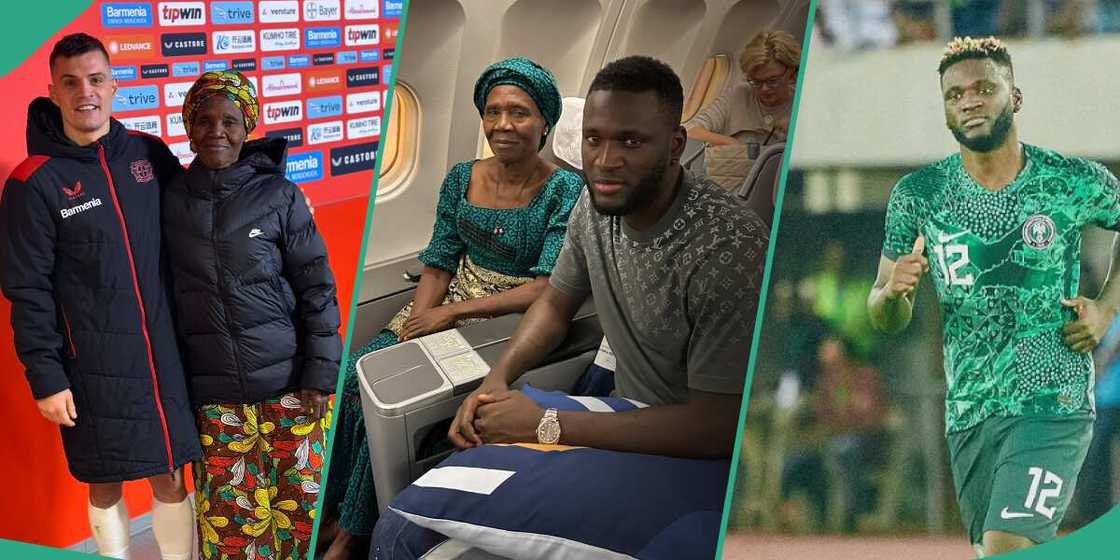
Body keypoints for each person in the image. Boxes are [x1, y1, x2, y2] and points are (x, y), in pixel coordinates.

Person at [867, 37, 1120, 556]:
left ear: (1016, 97)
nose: (969, 100)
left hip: (1053, 403)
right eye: (955, 94)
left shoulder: (1070, 181)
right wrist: (894, 295)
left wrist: (1107, 306)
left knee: (1007, 544)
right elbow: (885, 315)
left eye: (984, 88)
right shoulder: (919, 196)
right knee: (994, 550)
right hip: (969, 414)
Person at [320, 57, 582, 559]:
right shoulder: (461, 176)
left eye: (520, 113)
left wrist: (449, 316)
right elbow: (440, 262)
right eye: (493, 112)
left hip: (505, 319)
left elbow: (545, 288)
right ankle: (332, 512)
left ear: (545, 122)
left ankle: (353, 534)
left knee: (389, 397)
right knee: (356, 377)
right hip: (451, 301)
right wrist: (420, 318)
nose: (503, 124)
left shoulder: (565, 190)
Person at [0, 33, 198, 560]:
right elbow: (27, 288)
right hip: (92, 368)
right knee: (104, 483)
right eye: (70, 83)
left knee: (173, 479)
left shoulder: (149, 154)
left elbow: (196, 222)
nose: (84, 92)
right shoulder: (32, 182)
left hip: (165, 358)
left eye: (95, 79)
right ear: (53, 92)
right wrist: (46, 378)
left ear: (113, 85)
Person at [161, 70, 342, 560]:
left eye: (230, 120)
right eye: (203, 120)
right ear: (187, 127)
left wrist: (321, 376)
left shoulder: (279, 196)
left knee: (302, 516)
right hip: (217, 402)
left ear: (249, 126)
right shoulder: (168, 201)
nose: (216, 131)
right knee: (237, 531)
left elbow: (318, 290)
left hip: (291, 390)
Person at [685, 30, 800, 147]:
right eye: (756, 82)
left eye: (772, 81)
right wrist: (734, 145)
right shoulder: (738, 95)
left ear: (792, 75)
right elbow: (691, 131)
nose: (764, 89)